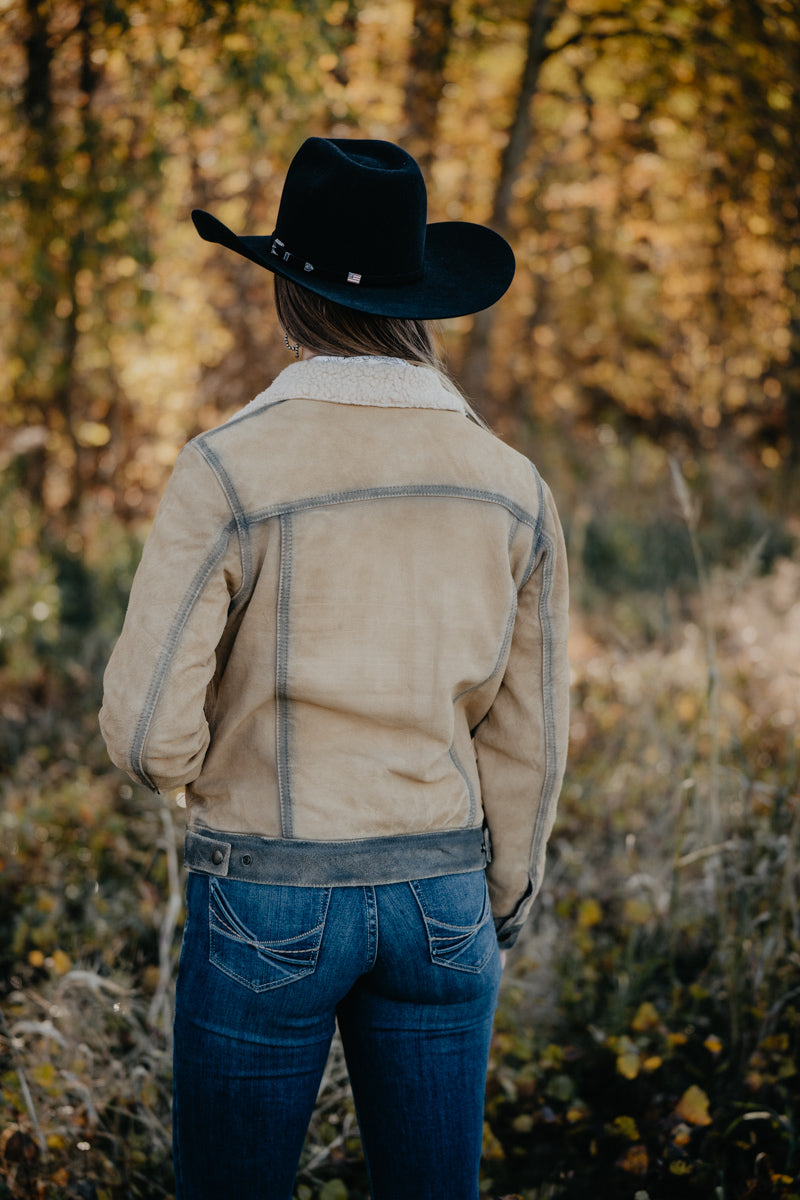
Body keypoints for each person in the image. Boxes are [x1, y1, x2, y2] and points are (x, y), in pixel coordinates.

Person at [99, 137, 569, 1200]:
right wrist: (498, 893)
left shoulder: (228, 466)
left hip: (267, 889)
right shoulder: (512, 484)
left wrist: (206, 783)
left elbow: (146, 732)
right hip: (444, 895)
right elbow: (530, 736)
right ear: (417, 298)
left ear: (288, 291)